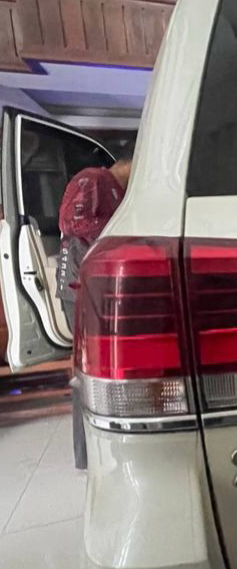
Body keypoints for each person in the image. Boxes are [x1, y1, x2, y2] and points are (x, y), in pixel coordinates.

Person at [57, 149, 133, 469]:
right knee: (89, 370)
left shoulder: (111, 188)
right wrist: (118, 236)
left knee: (98, 367)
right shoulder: (94, 179)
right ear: (129, 164)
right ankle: (87, 454)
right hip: (79, 286)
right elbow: (74, 222)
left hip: (86, 285)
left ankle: (98, 449)